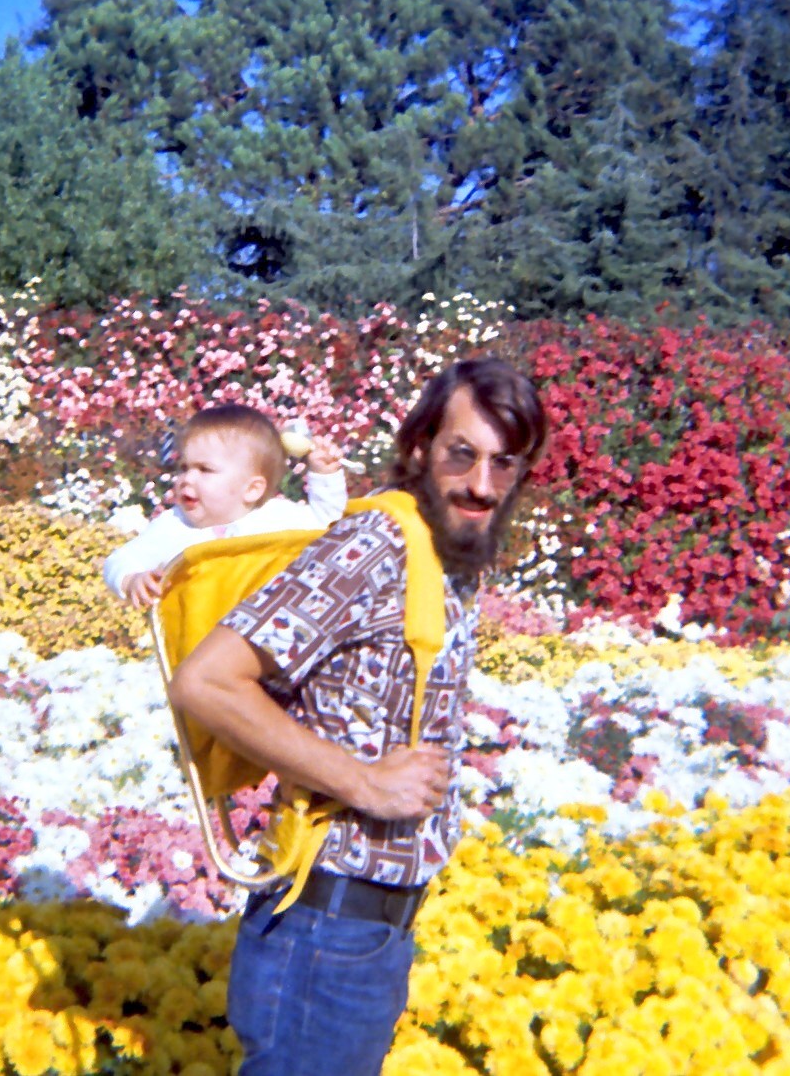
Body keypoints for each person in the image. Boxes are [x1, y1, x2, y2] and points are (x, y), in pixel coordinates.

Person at [167, 357, 548, 1076]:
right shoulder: (373, 547)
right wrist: (364, 782)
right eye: (461, 454)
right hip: (324, 934)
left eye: (504, 463)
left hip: (363, 936)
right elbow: (208, 682)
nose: (482, 483)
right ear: (419, 449)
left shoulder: (444, 550)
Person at [103, 404, 347, 609]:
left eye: (205, 470)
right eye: (184, 468)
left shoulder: (276, 518)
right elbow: (121, 559)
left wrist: (325, 475)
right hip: (199, 641)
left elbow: (328, 524)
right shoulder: (174, 527)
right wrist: (130, 580)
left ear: (252, 489)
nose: (187, 479)